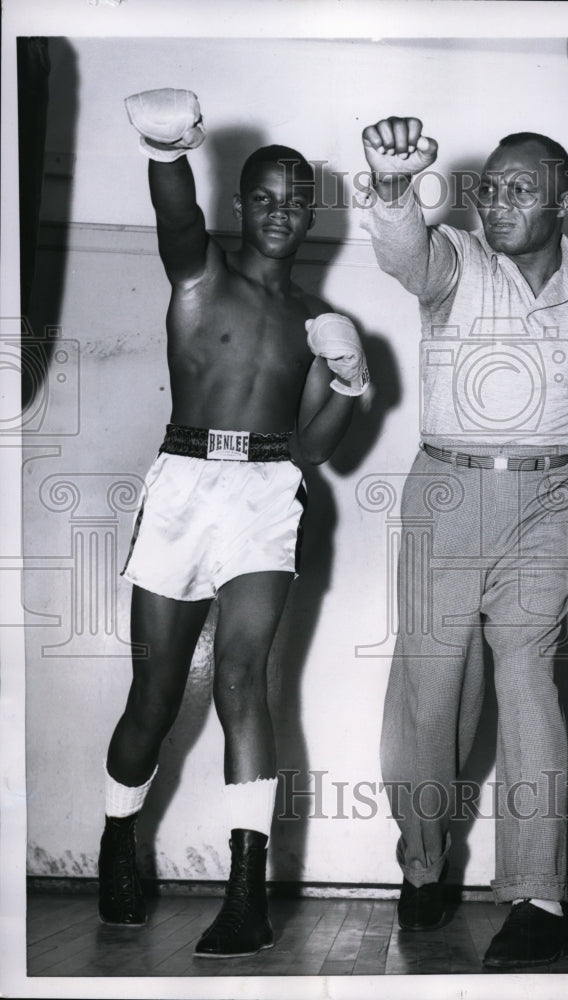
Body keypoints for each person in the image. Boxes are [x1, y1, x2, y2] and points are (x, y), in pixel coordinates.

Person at [359, 116, 568, 969]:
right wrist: (391, 189)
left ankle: (537, 896)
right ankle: (424, 863)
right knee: (431, 694)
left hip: (550, 502)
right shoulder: (455, 262)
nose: (496, 201)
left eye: (519, 188)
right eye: (488, 187)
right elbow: (401, 253)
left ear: (564, 198)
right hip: (448, 490)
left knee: (530, 680)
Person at [97, 88, 369, 959]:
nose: (282, 212)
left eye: (297, 199)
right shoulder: (200, 272)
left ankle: (245, 895)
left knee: (245, 679)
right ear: (241, 206)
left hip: (265, 492)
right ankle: (116, 840)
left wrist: (354, 383)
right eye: (265, 197)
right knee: (156, 693)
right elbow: (174, 219)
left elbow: (317, 448)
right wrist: (168, 152)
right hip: (182, 482)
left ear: (312, 212)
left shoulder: (314, 323)